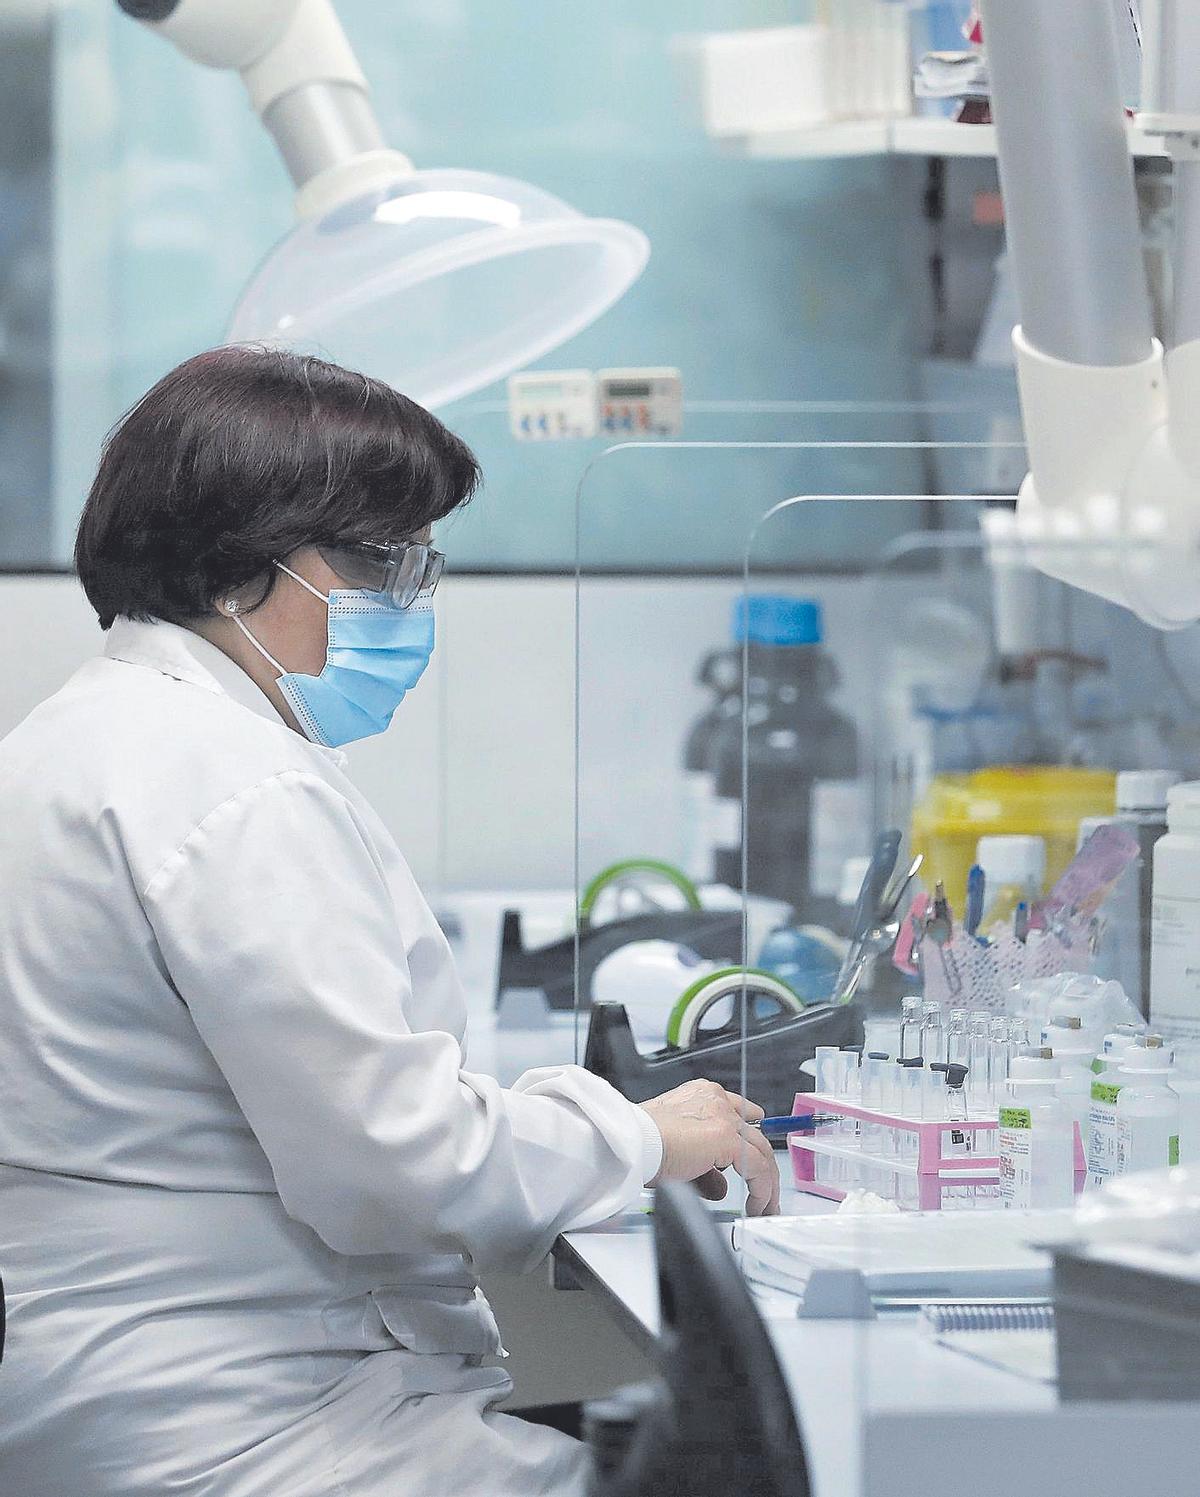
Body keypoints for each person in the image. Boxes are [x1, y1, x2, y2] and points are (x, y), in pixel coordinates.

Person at [0, 346, 779, 1497]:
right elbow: (393, 1162)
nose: (408, 599)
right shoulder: (230, 784)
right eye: (375, 561)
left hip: (124, 1387)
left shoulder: (83, 738)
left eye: (420, 562)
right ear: (230, 572)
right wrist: (645, 1134)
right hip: (252, 1420)